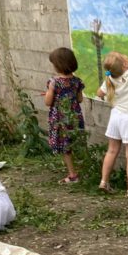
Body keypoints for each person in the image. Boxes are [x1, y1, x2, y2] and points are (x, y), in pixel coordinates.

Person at [96, 14, 128, 196]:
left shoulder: (110, 79)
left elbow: (99, 94)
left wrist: (107, 98)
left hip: (116, 116)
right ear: (126, 65)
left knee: (111, 150)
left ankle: (104, 181)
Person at [44, 46, 85, 184]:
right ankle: (79, 169)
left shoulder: (54, 82)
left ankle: (73, 174)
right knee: (74, 143)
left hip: (60, 118)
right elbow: (80, 99)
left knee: (65, 147)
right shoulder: (77, 81)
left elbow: (48, 102)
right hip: (74, 116)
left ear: (58, 65)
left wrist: (50, 93)